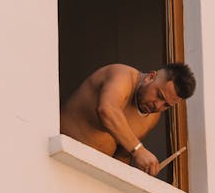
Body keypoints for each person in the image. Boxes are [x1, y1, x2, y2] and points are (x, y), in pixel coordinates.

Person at [60, 63, 196, 176]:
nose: (158, 106)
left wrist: (139, 171)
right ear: (150, 77)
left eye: (166, 105)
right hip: (58, 158)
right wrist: (138, 150)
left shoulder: (152, 117)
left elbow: (123, 155)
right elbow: (107, 110)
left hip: (91, 177)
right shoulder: (123, 76)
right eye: (159, 95)